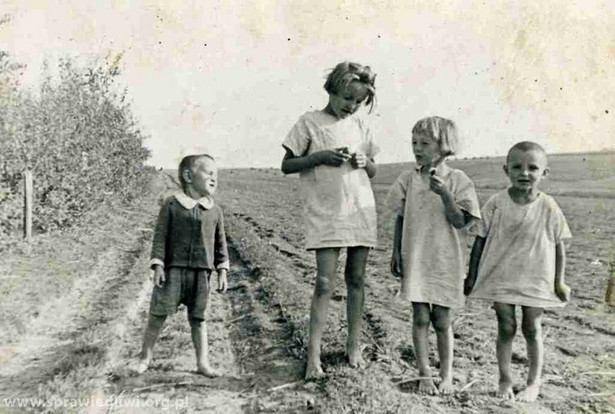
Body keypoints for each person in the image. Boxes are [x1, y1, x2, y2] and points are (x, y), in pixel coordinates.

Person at [281, 61, 379, 379]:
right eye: (347, 98)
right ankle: (314, 357)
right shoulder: (309, 122)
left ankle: (353, 347)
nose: (351, 106)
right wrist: (320, 157)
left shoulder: (361, 127)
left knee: (356, 280)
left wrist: (366, 161)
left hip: (360, 209)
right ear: (332, 90)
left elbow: (373, 169)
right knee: (324, 283)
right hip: (326, 212)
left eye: (358, 101)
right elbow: (287, 164)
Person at [464, 141, 571, 402]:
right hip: (502, 275)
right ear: (506, 170)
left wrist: (559, 282)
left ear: (544, 173)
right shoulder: (496, 202)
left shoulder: (548, 206)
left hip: (536, 277)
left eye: (532, 168)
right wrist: (472, 275)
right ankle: (504, 379)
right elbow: (479, 240)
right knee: (506, 326)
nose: (524, 173)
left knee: (532, 327)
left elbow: (559, 246)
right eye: (517, 167)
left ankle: (533, 383)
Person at [386, 116, 481, 395]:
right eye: (414, 142)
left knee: (442, 321)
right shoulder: (408, 179)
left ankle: (447, 375)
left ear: (444, 147)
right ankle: (424, 374)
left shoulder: (458, 180)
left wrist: (445, 195)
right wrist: (395, 251)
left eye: (425, 143)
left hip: (444, 260)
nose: (417, 148)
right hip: (415, 257)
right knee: (419, 318)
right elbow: (401, 218)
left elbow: (461, 221)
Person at [135, 154, 229, 377]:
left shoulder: (214, 211)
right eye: (208, 172)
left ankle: (202, 363)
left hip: (201, 274)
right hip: (172, 271)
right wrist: (158, 265)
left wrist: (222, 271)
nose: (214, 178)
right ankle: (144, 358)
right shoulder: (172, 205)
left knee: (199, 318)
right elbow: (160, 236)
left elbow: (221, 244)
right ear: (188, 176)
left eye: (216, 174)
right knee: (158, 314)